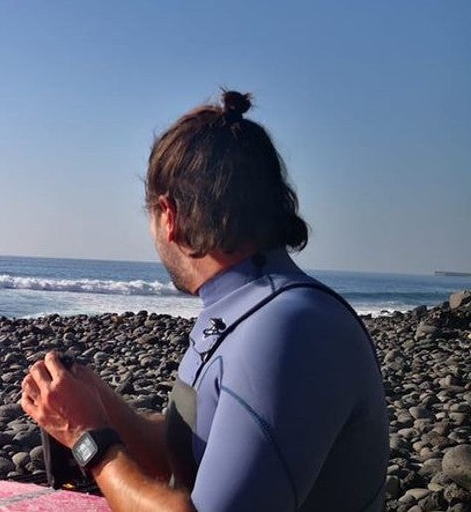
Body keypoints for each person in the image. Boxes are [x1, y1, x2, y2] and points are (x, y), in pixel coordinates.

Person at [20, 90, 388, 511]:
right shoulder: (245, 310)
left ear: (170, 216)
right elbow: (188, 454)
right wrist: (100, 405)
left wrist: (89, 439)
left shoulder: (290, 329)